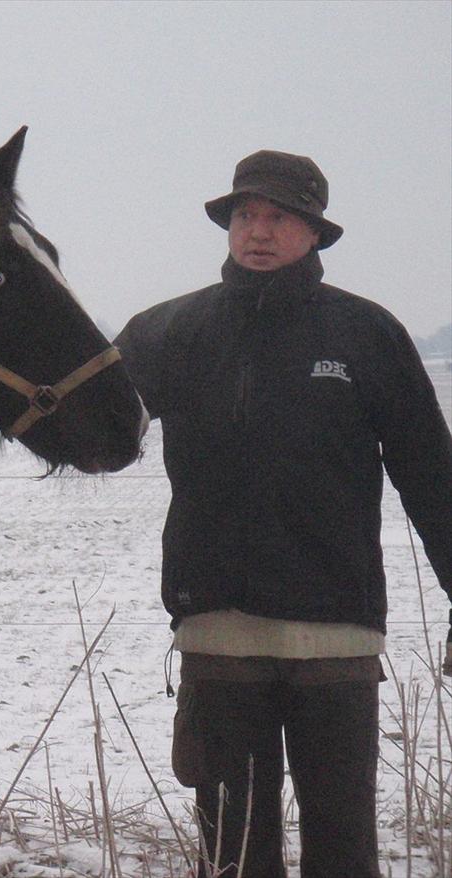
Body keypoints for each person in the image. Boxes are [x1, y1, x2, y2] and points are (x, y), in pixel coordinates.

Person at [114, 150, 452, 877]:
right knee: (235, 855)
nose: (257, 232)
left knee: (341, 850)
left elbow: (432, 477)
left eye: (277, 217)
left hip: (334, 638)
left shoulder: (367, 334)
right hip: (218, 632)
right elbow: (92, 426)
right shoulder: (168, 331)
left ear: (314, 232)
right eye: (244, 215)